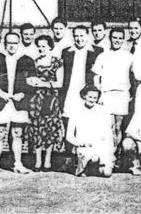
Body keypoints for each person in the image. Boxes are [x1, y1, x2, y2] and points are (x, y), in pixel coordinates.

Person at [0, 32, 35, 174]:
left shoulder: (27, 60)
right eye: (9, 43)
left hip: (18, 104)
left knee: (17, 133)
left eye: (15, 43)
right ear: (5, 43)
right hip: (1, 102)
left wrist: (23, 93)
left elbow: (31, 82)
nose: (12, 46)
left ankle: (18, 164)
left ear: (18, 43)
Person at [60, 25, 102, 171]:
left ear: (87, 35)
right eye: (76, 36)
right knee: (69, 125)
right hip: (71, 93)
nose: (79, 38)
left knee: (87, 124)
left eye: (82, 35)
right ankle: (69, 160)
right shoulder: (66, 52)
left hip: (87, 94)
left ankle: (88, 161)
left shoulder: (97, 51)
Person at [26, 35, 64, 171]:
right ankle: (37, 161)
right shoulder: (34, 62)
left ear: (50, 47)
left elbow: (59, 83)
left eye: (44, 46)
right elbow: (29, 79)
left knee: (50, 128)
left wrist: (42, 83)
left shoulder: (57, 62)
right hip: (36, 100)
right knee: (36, 128)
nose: (41, 48)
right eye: (39, 46)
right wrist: (30, 82)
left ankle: (47, 160)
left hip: (51, 99)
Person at [91, 28, 133, 148]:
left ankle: (115, 154)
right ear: (110, 38)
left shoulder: (129, 56)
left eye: (120, 38)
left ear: (123, 39)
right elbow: (96, 77)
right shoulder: (103, 56)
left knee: (118, 126)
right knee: (108, 127)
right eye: (115, 37)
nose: (117, 40)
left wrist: (131, 93)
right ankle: (109, 154)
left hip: (122, 95)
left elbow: (134, 75)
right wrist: (99, 92)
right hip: (106, 95)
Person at [65, 86, 115, 177]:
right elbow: (69, 136)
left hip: (99, 146)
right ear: (84, 96)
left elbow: (108, 133)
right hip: (84, 146)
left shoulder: (102, 110)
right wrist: (80, 143)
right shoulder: (76, 111)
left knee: (107, 173)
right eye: (90, 97)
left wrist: (108, 149)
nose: (92, 100)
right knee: (90, 160)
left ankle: (93, 167)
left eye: (95, 98)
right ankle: (84, 166)